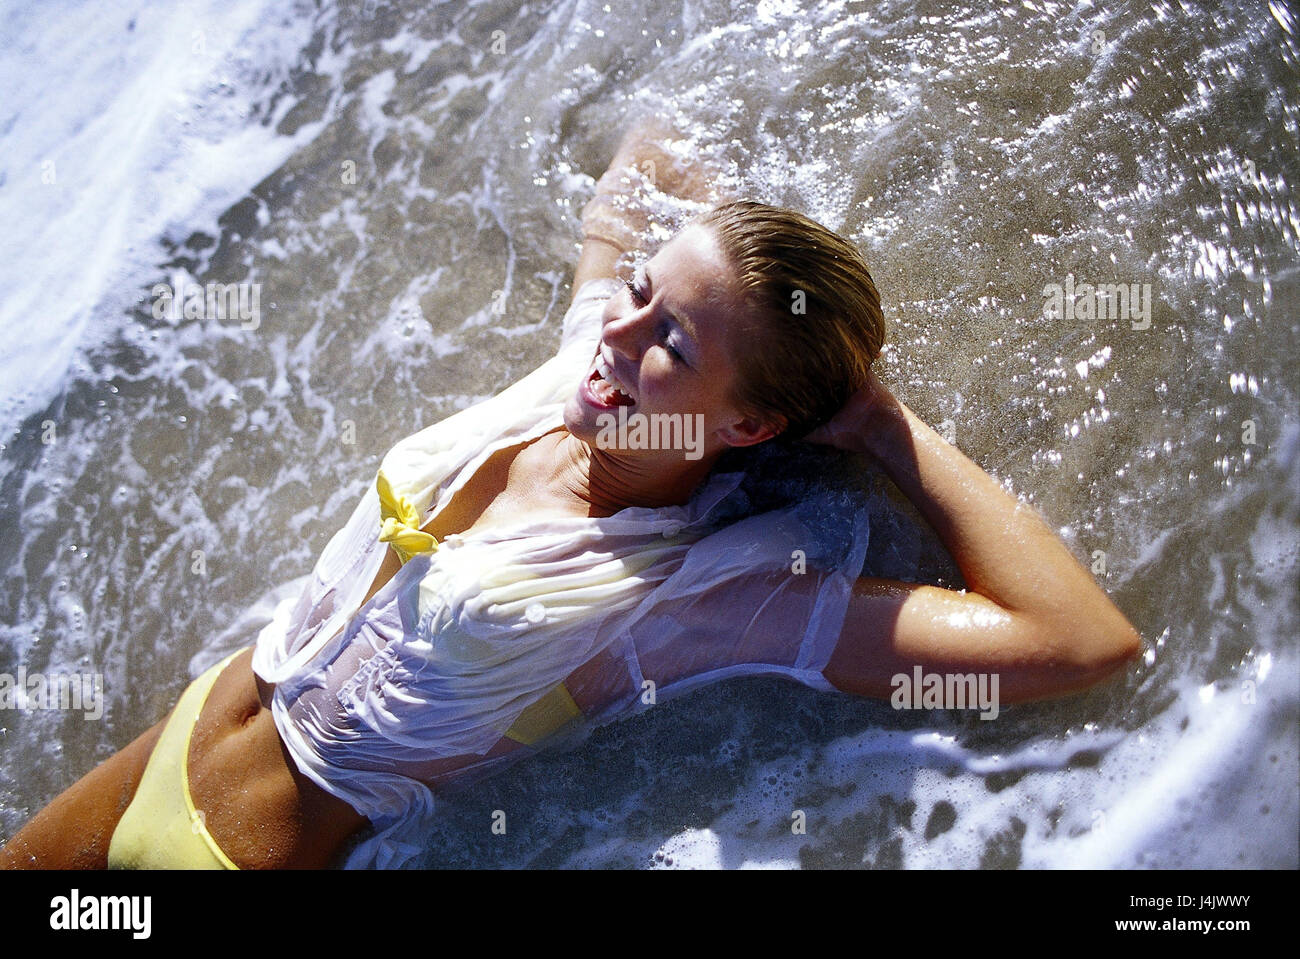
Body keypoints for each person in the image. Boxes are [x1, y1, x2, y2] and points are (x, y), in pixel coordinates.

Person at [0, 116, 1141, 870]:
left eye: (673, 341)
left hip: (240, 857)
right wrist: (708, 211)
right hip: (182, 731)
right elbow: (631, 172)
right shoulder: (574, 371)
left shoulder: (700, 596)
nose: (618, 328)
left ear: (746, 425)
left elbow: (1077, 639)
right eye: (641, 294)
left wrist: (883, 424)